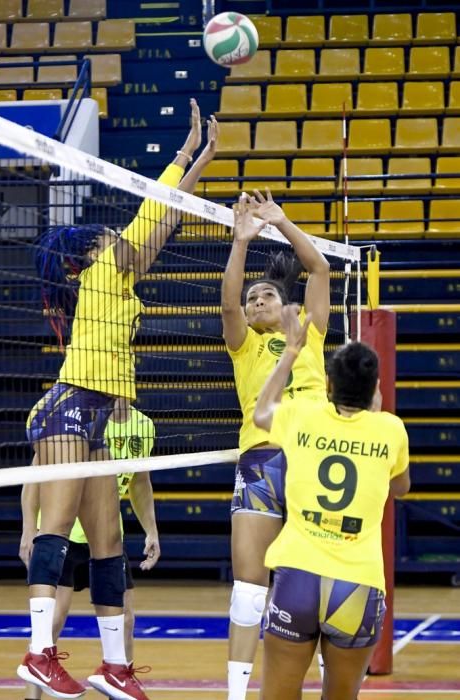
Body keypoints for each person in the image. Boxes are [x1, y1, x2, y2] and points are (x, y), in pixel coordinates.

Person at [17, 99, 218, 700]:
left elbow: (166, 222)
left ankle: (113, 667)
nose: (124, 240)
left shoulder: (123, 274)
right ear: (95, 253)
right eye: (113, 236)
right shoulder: (101, 273)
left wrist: (201, 161)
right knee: (56, 529)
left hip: (97, 415)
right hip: (70, 405)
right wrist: (181, 154)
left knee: (109, 544)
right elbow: (153, 212)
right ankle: (37, 653)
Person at [253, 307, 410, 700]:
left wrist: (291, 351)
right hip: (356, 585)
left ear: (327, 383)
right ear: (375, 385)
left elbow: (260, 413)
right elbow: (401, 487)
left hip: (298, 576)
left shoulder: (303, 416)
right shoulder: (391, 430)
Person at [221, 191, 330, 700]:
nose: (256, 301)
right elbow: (226, 302)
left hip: (313, 455)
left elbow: (320, 269)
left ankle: (333, 681)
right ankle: (237, 693)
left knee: (324, 575)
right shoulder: (243, 345)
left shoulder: (307, 331)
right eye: (252, 298)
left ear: (284, 304)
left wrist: (282, 221)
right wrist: (241, 242)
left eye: (265, 295)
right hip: (262, 459)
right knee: (249, 583)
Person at [20, 398, 159, 700]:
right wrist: (29, 527)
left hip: (106, 533)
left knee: (126, 618)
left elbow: (140, 482)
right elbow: (35, 475)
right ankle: (34, 690)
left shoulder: (144, 426)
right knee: (54, 620)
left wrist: (151, 529)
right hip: (66, 534)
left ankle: (118, 680)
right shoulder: (76, 415)